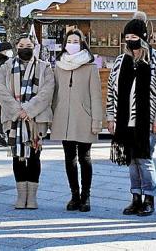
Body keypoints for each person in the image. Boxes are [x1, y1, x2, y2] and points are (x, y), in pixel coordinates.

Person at [107, 13, 156, 217]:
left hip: (149, 119)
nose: (130, 41)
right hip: (125, 120)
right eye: (127, 37)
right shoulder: (120, 61)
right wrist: (111, 116)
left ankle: (149, 198)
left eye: (134, 37)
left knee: (144, 158)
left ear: (143, 37)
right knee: (131, 159)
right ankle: (135, 197)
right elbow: (111, 90)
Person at [0, 34, 54, 209]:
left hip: (36, 119)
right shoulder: (6, 67)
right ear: (16, 47)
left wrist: (28, 110)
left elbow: (47, 91)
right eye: (21, 45)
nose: (25, 47)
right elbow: (1, 90)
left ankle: (32, 197)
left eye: (28, 45)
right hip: (13, 119)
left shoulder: (45, 67)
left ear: (34, 46)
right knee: (17, 158)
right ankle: (21, 196)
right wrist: (17, 111)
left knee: (35, 157)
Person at [51, 29, 103, 212]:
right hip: (64, 117)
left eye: (76, 41)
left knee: (85, 157)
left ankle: (85, 196)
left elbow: (96, 96)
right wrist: (51, 116)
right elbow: (54, 93)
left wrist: (97, 120)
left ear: (82, 43)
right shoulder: (59, 65)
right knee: (69, 158)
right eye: (70, 40)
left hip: (84, 118)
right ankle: (74, 195)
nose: (72, 44)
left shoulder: (90, 66)